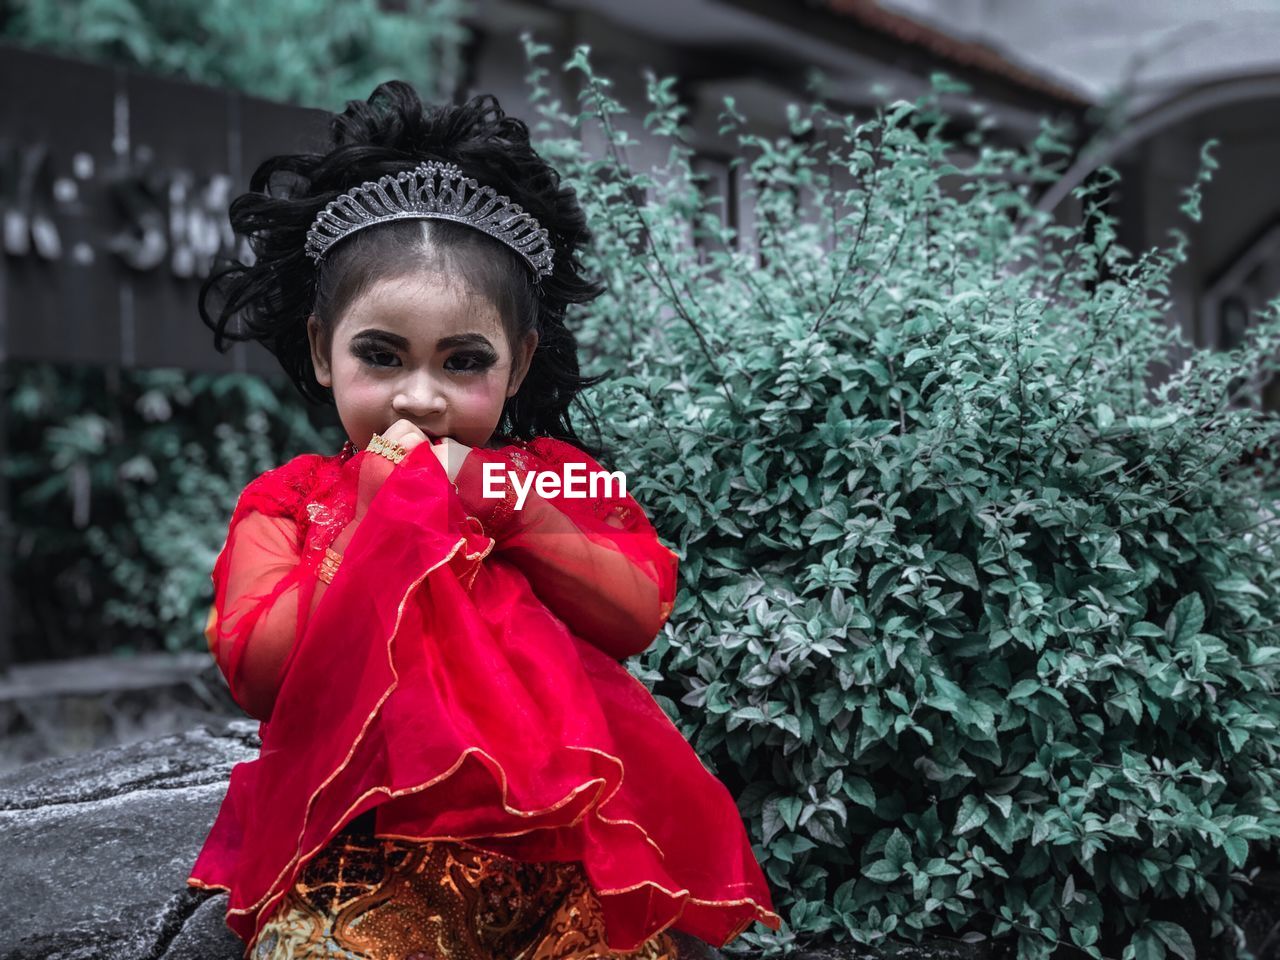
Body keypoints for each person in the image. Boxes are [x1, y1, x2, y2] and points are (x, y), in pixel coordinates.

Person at [186, 82, 781, 960]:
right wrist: (376, 524)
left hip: (570, 863)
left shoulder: (563, 476)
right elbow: (261, 671)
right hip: (359, 859)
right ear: (322, 350)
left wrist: (496, 496)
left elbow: (639, 602)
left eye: (463, 362)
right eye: (381, 356)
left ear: (518, 362)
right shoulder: (287, 499)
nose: (419, 399)